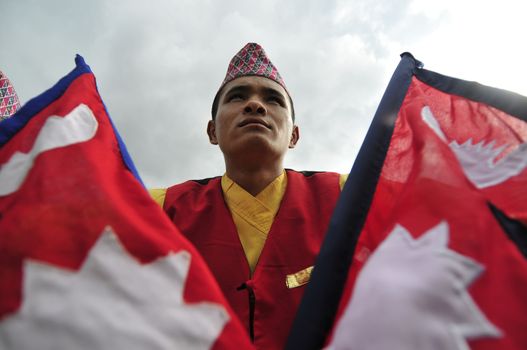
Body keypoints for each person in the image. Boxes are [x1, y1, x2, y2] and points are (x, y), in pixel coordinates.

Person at [150, 43, 347, 349]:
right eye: (238, 96)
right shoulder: (159, 209)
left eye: (273, 100)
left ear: (293, 135)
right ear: (212, 131)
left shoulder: (348, 197)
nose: (255, 106)